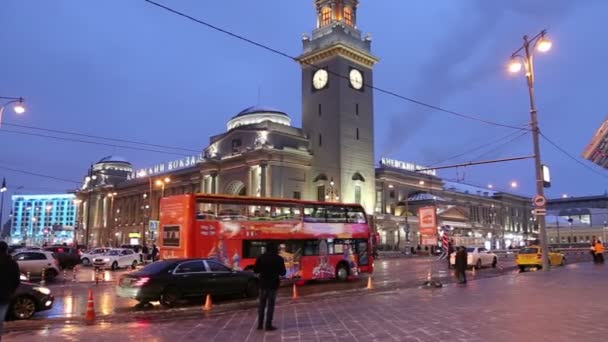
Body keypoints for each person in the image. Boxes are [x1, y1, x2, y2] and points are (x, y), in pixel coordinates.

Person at [254, 243, 286, 331]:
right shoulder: (279, 259)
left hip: (262, 284)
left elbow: (256, 270)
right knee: (270, 305)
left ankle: (260, 325)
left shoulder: (261, 257)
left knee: (261, 305)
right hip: (273, 285)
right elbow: (283, 273)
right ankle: (268, 325)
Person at [1, 241, 21, 338]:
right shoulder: (12, 263)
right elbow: (16, 281)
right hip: (4, 296)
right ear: (6, 250)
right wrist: (10, 291)